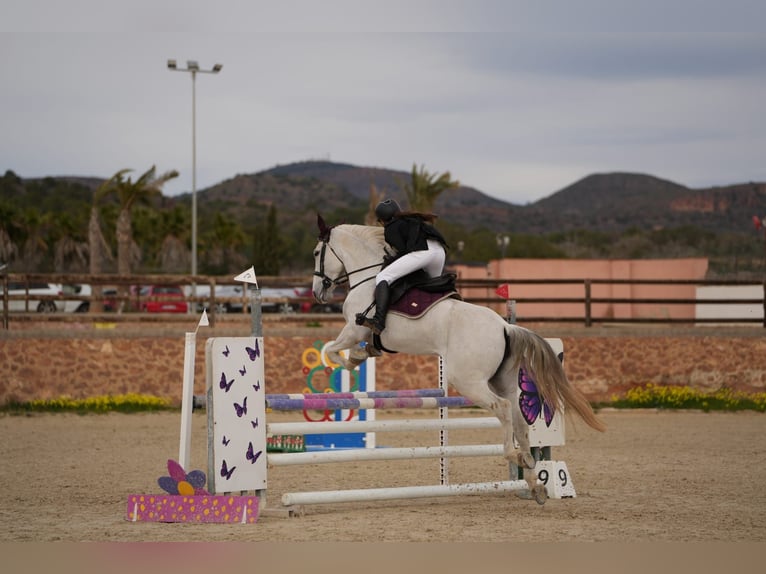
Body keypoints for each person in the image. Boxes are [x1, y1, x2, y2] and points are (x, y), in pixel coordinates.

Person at [361, 199, 449, 335]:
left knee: (383, 276)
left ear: (383, 219)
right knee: (431, 285)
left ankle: (378, 321)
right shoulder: (410, 219)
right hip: (439, 253)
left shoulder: (391, 229)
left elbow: (404, 252)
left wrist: (391, 261)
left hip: (422, 253)